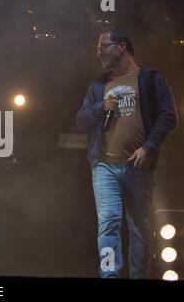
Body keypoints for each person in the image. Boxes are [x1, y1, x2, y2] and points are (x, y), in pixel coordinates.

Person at [76, 27, 178, 278]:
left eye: (103, 47)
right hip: (104, 165)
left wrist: (149, 147)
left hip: (138, 167)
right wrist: (102, 106)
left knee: (140, 228)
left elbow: (169, 116)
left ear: (121, 47)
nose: (98, 52)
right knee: (108, 223)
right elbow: (80, 121)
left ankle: (138, 276)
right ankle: (109, 275)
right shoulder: (100, 85)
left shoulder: (150, 78)